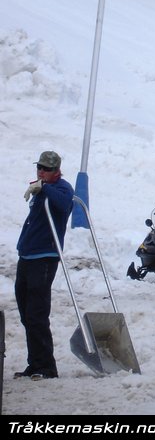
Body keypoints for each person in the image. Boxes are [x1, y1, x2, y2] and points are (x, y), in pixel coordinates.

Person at [14, 150, 74, 381]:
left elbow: (64, 204)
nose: (41, 171)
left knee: (37, 313)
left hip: (45, 257)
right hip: (27, 256)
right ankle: (35, 363)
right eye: (39, 167)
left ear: (57, 170)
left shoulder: (62, 188)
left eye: (47, 169)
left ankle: (47, 366)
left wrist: (45, 188)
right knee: (26, 313)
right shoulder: (40, 187)